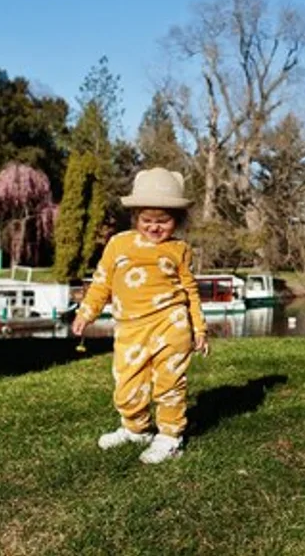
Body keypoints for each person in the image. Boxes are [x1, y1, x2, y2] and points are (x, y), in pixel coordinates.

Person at [71, 167, 209, 464]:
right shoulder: (118, 244)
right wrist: (87, 311)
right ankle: (136, 429)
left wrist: (199, 329)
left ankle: (171, 437)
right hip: (130, 330)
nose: (155, 227)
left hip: (171, 327)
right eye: (147, 220)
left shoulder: (179, 250)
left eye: (164, 221)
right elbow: (102, 281)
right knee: (126, 387)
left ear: (178, 220)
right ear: (135, 218)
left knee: (169, 385)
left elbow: (190, 292)